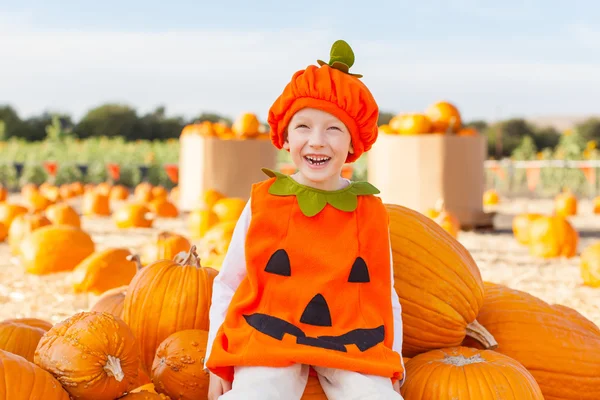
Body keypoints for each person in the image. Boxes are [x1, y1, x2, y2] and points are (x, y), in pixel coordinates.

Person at [205, 39, 405, 400]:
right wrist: (213, 356)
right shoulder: (264, 202)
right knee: (258, 391)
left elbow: (383, 292)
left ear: (353, 141)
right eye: (303, 127)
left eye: (333, 129)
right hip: (269, 332)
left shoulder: (369, 210)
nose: (317, 142)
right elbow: (229, 283)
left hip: (350, 338)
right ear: (284, 134)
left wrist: (395, 360)